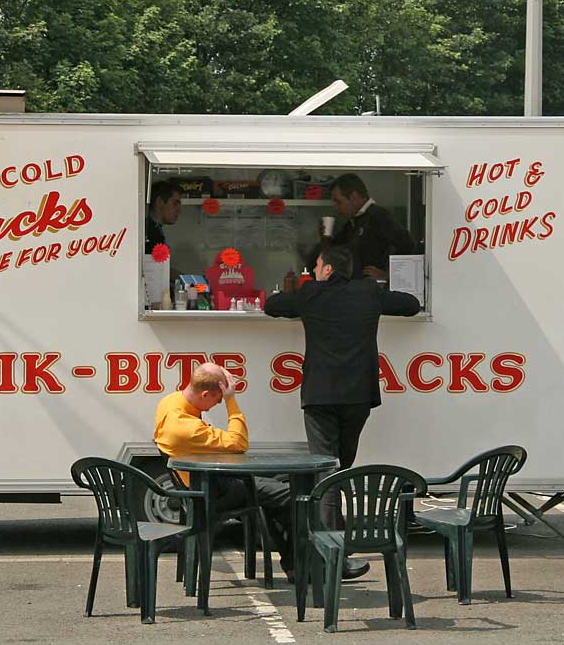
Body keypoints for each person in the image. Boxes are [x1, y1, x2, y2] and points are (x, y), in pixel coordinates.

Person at [264, 244, 421, 580]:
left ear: (328, 269)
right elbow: (410, 305)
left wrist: (293, 289)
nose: (315, 271)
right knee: (339, 468)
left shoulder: (311, 294)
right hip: (358, 397)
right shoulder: (367, 293)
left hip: (320, 397)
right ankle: (328, 548)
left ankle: (330, 554)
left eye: (317, 266)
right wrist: (382, 288)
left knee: (328, 473)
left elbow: (272, 306)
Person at [153, 362, 294, 579]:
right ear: (206, 393)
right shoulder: (185, 428)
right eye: (218, 398)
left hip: (200, 485)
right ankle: (304, 564)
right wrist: (231, 400)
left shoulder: (170, 401)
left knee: (276, 489)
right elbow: (239, 443)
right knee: (290, 495)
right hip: (211, 493)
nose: (218, 402)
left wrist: (220, 378)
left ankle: (296, 564)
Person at [322, 173, 416, 280]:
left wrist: (389, 275)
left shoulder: (379, 216)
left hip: (374, 290)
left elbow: (408, 244)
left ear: (354, 197)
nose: (336, 207)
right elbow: (335, 252)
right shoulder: (353, 222)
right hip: (356, 287)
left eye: (338, 202)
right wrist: (326, 237)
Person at [145, 180, 182, 253]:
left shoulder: (154, 230)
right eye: (175, 204)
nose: (179, 211)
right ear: (159, 202)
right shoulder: (149, 234)